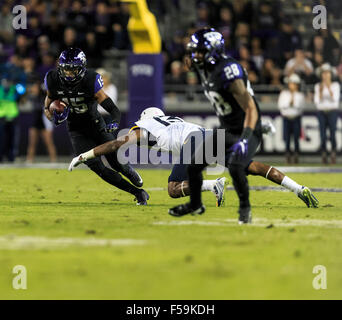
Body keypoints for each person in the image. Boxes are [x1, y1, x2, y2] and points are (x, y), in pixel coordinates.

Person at [168, 28, 318, 224]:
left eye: (199, 52)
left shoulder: (228, 71)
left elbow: (250, 107)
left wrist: (246, 138)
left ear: (212, 51)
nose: (195, 56)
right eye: (194, 52)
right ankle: (195, 204)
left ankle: (245, 210)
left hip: (247, 127)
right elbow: (191, 63)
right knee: (195, 166)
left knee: (236, 168)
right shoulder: (206, 66)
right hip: (226, 129)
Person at [68, 107, 319, 212]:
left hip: (193, 140)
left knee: (173, 190)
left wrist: (85, 155)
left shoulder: (144, 126)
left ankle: (212, 185)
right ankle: (299, 188)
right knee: (252, 167)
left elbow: (115, 143)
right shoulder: (172, 122)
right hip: (205, 135)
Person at [43, 48, 149, 205]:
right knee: (98, 168)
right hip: (76, 130)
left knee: (116, 162)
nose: (68, 74)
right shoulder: (52, 79)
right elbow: (47, 107)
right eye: (65, 69)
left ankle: (128, 170)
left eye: (73, 70)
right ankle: (138, 193)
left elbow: (113, 109)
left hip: (96, 125)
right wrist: (53, 116)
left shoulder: (90, 80)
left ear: (82, 68)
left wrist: (114, 121)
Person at [314, 63, 341, 164]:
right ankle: (324, 153)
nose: (325, 75)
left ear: (331, 74)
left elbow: (335, 99)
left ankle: (333, 152)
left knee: (333, 133)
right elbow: (317, 102)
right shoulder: (318, 86)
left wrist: (329, 88)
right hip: (321, 112)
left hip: (332, 112)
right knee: (322, 134)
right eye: (323, 73)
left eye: (327, 73)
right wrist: (321, 91)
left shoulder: (335, 85)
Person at [26, 81, 57, 163]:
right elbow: (25, 97)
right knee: (32, 143)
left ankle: (53, 160)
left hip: (44, 122)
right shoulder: (32, 97)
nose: (33, 89)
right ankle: (29, 159)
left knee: (48, 142)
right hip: (35, 121)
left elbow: (51, 96)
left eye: (34, 87)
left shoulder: (45, 97)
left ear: (39, 88)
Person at [278, 73, 304, 164]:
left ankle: (296, 154)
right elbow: (281, 106)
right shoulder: (284, 94)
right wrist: (290, 103)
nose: (292, 85)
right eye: (291, 83)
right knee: (287, 138)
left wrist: (291, 104)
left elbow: (299, 107)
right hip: (287, 118)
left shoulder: (300, 95)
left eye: (294, 83)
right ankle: (287, 154)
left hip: (296, 118)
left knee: (296, 137)